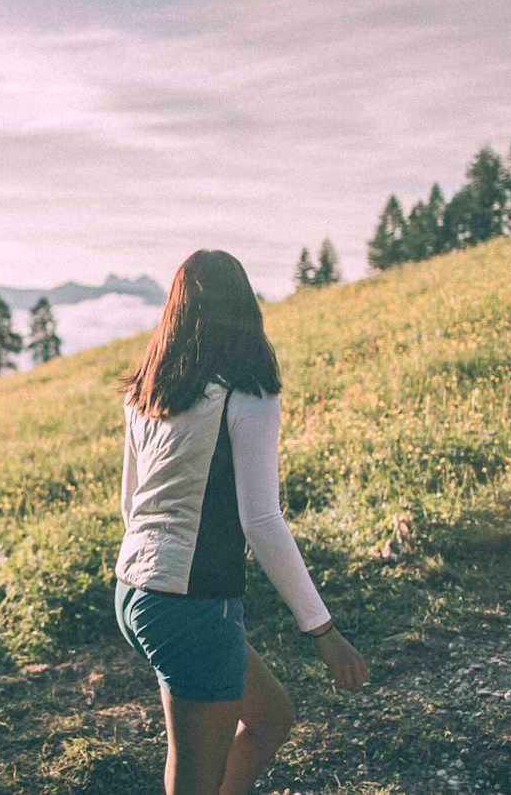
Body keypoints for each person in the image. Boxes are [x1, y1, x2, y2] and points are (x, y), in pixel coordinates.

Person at [113, 250, 368, 795]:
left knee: (271, 717)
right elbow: (262, 521)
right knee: (193, 783)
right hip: (191, 601)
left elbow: (129, 505)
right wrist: (322, 631)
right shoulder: (246, 392)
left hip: (135, 595)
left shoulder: (146, 392)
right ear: (244, 307)